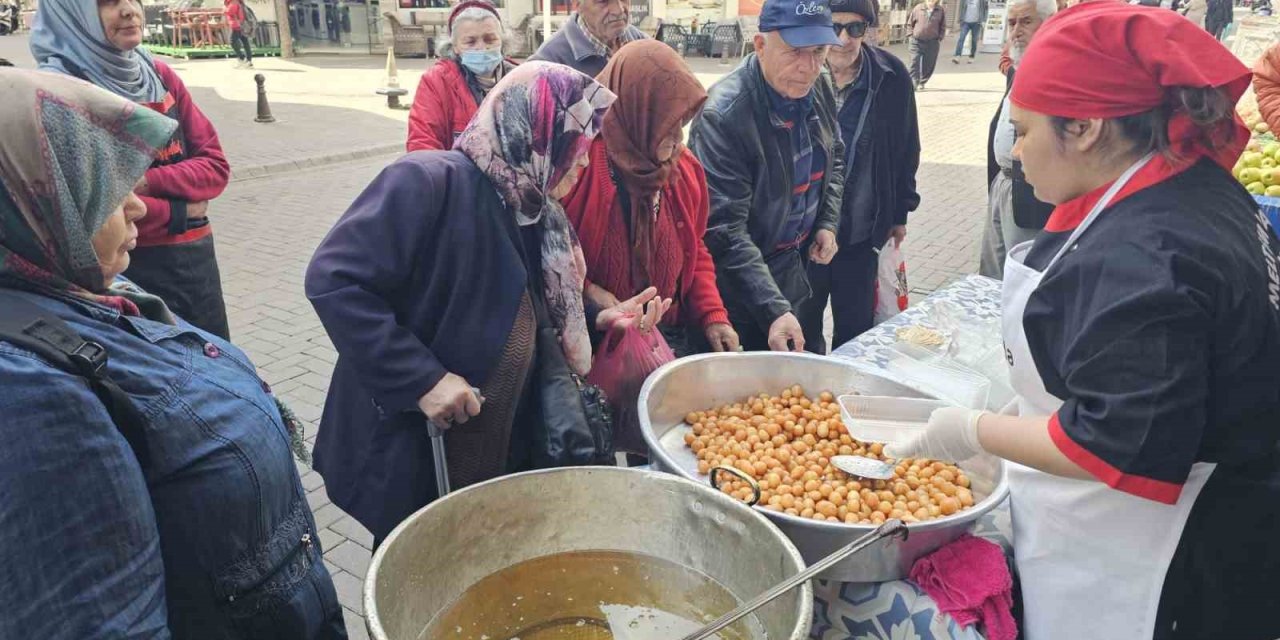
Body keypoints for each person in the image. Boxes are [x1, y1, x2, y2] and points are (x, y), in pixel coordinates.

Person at [887, 4, 1280, 638]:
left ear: (1086, 126)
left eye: (1022, 130)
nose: (1014, 153)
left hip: (1174, 554)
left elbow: (1110, 443)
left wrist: (968, 429)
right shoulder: (1188, 185)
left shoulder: (1147, 257)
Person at [0, 68, 347, 639]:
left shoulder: (94, 291)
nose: (139, 206)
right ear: (34, 206)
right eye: (108, 189)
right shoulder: (28, 395)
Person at [306, 63, 658, 546]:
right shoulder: (428, 182)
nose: (581, 161)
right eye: (574, 143)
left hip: (492, 443)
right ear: (530, 133)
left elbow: (529, 310)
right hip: (418, 445)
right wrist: (421, 378)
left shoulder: (534, 208)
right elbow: (335, 279)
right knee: (418, 571)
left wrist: (599, 321)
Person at [31, 0, 234, 340]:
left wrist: (141, 180)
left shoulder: (158, 75)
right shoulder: (61, 95)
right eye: (108, 2)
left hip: (194, 265)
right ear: (72, 15)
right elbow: (85, 212)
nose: (128, 10)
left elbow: (215, 167)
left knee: (215, 359)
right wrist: (181, 211)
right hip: (123, 274)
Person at [562, 40, 738, 364]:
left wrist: (714, 315)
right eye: (666, 125)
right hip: (596, 346)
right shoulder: (577, 169)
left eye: (681, 125)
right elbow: (552, 262)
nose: (678, 140)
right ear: (636, 112)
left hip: (666, 340)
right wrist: (591, 295)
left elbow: (694, 248)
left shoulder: (682, 170)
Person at [689, 0, 844, 354]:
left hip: (800, 266)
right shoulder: (724, 115)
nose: (808, 67)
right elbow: (724, 230)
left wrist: (827, 222)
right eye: (795, 52)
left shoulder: (819, 82)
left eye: (819, 51)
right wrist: (774, 309)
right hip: (743, 284)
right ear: (760, 46)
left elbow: (835, 156)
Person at [799, 0, 920, 353]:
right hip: (805, 236)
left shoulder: (891, 75)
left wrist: (900, 212)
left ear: (868, 30)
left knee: (856, 333)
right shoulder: (801, 68)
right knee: (803, 329)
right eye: (835, 27)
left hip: (861, 234)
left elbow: (906, 147)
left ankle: (847, 401)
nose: (844, 38)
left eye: (855, 28)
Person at [977, 0, 1056, 279]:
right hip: (1004, 182)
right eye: (1012, 23)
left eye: (1026, 22)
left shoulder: (1056, 71)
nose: (1016, 31)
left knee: (1021, 275)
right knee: (990, 272)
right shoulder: (1017, 69)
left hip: (1031, 190)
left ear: (1046, 24)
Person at [406, 0, 517, 151]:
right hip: (459, 173)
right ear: (455, 47)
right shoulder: (436, 80)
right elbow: (422, 144)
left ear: (502, 41)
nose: (482, 47)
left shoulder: (522, 77)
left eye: (490, 39)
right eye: (470, 42)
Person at [527, 0, 647, 77]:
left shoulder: (645, 45)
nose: (619, 9)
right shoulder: (547, 63)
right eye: (603, 1)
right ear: (577, 4)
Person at [906, 0, 945, 90]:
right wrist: (910, 35)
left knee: (929, 64)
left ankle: (922, 81)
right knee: (914, 61)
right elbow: (910, 23)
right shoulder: (918, 8)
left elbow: (943, 26)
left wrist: (940, 37)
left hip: (932, 42)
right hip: (916, 41)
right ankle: (914, 82)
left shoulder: (940, 10)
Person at [224, 0, 254, 69]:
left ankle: (242, 58)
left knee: (232, 41)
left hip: (236, 25)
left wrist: (224, 9)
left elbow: (229, 11)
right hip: (241, 24)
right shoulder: (238, 1)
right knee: (245, 42)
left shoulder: (233, 2)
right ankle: (249, 61)